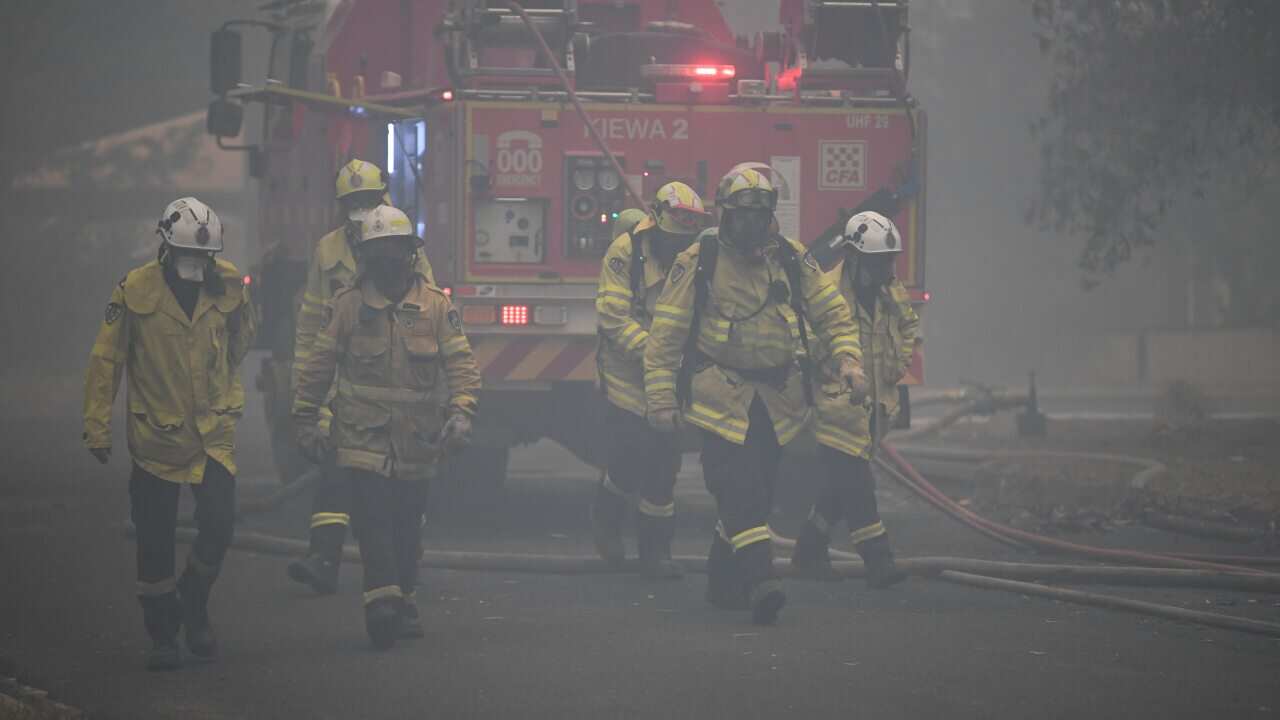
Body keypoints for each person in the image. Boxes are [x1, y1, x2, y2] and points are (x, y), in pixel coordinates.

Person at [643, 166, 866, 624]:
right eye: (743, 215)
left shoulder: (790, 257)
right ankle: (761, 580)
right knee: (737, 486)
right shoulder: (699, 258)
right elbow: (666, 333)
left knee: (758, 494)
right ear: (725, 214)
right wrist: (662, 399)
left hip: (777, 398)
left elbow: (831, 312)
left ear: (771, 216)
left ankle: (722, 586)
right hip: (718, 394)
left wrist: (848, 360)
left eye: (760, 215)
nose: (751, 224)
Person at [292, 205, 480, 649]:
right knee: (372, 521)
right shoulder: (348, 306)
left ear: (410, 255)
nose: (387, 261)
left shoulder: (436, 307)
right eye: (378, 252)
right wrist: (305, 417)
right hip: (361, 438)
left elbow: (461, 365)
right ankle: (381, 602)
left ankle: (405, 599)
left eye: (394, 251)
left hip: (417, 443)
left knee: (406, 526)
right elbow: (319, 366)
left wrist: (462, 413)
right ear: (364, 256)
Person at [83, 197, 257, 670]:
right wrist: (97, 425)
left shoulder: (226, 284)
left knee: (219, 524)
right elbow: (107, 359)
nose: (194, 267)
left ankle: (194, 601)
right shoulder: (134, 291)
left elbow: (241, 337)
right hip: (156, 440)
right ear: (164, 247)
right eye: (187, 258)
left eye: (202, 258)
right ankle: (163, 634)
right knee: (154, 541)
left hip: (212, 437)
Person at [287, 158, 435, 594]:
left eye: (367, 200)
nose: (360, 209)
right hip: (345, 375)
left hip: (396, 378)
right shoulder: (328, 251)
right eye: (352, 202)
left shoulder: (405, 246)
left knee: (399, 490)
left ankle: (397, 569)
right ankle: (324, 556)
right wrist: (307, 395)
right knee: (337, 463)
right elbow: (312, 324)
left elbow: (429, 309)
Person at [792, 211, 917, 588]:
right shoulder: (826, 293)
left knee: (836, 489)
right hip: (836, 407)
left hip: (874, 407)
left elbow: (908, 325)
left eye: (889, 261)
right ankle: (879, 561)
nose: (885, 269)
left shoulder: (888, 292)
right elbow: (802, 339)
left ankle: (808, 551)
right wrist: (832, 363)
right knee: (858, 485)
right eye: (879, 261)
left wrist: (900, 362)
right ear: (854, 256)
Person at [592, 183, 710, 578]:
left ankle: (654, 553)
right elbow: (612, 317)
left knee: (663, 466)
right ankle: (606, 526)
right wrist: (655, 355)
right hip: (627, 376)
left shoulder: (696, 256)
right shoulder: (625, 252)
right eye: (673, 238)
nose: (679, 247)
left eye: (685, 239)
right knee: (629, 458)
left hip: (671, 379)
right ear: (655, 222)